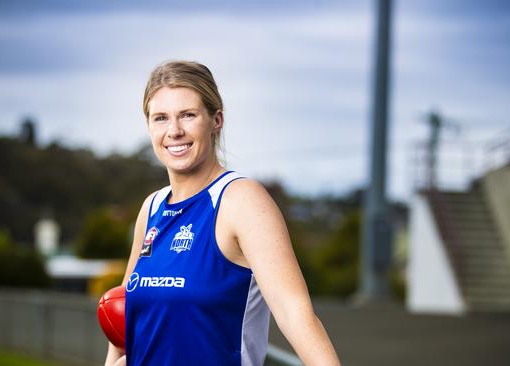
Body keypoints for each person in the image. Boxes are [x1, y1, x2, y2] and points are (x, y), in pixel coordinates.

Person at [104, 60, 340, 366]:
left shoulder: (241, 201)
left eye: (188, 115)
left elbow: (295, 314)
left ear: (216, 120)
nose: (174, 131)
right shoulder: (151, 208)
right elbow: (125, 322)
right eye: (160, 118)